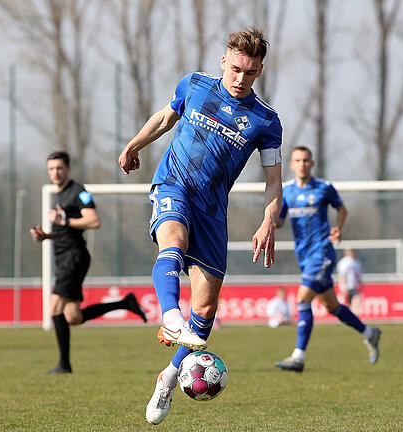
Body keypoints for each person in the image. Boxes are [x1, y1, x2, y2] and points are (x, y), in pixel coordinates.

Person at [118, 26, 283, 425]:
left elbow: (274, 180)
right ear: (224, 60)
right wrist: (134, 144)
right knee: (172, 239)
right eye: (236, 69)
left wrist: (267, 221)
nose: (241, 78)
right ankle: (169, 316)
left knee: (206, 308)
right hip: (174, 184)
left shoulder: (265, 120)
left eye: (250, 72)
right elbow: (165, 118)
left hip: (212, 209)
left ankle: (168, 377)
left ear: (259, 71)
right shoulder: (194, 85)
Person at [30, 151, 147, 374]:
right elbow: (65, 231)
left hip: (74, 258)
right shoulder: (59, 194)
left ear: (68, 169)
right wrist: (47, 235)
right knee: (73, 317)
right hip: (65, 257)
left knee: (54, 307)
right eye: (51, 169)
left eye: (59, 168)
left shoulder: (78, 192)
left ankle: (64, 365)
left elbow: (93, 221)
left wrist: (62, 219)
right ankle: (125, 303)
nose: (55, 172)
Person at [274, 146, 381, 373]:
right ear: (291, 165)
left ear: (311, 163)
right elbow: (280, 221)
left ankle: (298, 357)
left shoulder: (324, 188)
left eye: (306, 160)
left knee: (302, 299)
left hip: (322, 253)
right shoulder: (288, 192)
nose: (302, 164)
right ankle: (370, 334)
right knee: (332, 306)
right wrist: (270, 222)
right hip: (304, 256)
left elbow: (342, 209)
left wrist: (338, 228)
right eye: (298, 160)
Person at [336, 248, 363, 314]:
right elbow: (342, 275)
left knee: (356, 299)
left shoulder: (356, 262)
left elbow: (358, 275)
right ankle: (349, 315)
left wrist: (360, 283)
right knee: (348, 302)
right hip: (347, 285)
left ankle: (352, 315)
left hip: (354, 285)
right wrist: (344, 286)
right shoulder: (345, 262)